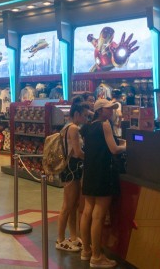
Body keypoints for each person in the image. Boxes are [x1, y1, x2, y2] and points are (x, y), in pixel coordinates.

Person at [79, 99, 126, 268]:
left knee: (87, 212)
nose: (111, 111)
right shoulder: (104, 125)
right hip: (103, 173)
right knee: (98, 215)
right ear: (100, 111)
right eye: (108, 109)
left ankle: (86, 251)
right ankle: (97, 257)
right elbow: (114, 149)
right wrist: (128, 146)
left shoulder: (87, 127)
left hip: (90, 172)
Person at [56, 102, 93, 252]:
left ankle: (73, 237)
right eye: (85, 115)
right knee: (67, 205)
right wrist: (92, 157)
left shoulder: (67, 127)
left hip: (71, 169)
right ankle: (60, 240)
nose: (86, 118)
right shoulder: (73, 129)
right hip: (71, 169)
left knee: (73, 205)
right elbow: (78, 152)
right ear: (77, 114)